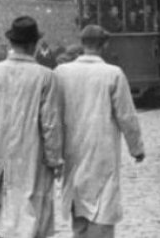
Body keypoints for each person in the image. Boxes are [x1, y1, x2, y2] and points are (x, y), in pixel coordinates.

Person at [0, 16, 64, 238]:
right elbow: (50, 124)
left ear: (11, 44)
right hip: (34, 158)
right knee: (32, 214)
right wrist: (55, 160)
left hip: (1, 158)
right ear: (33, 45)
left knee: (4, 211)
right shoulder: (46, 77)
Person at [54, 25, 145, 238]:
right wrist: (136, 147)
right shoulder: (113, 74)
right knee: (102, 208)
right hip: (102, 151)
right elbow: (126, 115)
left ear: (82, 43)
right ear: (104, 45)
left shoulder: (61, 72)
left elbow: (53, 115)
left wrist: (53, 152)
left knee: (78, 204)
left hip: (72, 151)